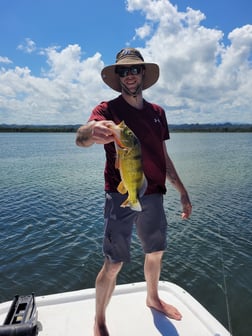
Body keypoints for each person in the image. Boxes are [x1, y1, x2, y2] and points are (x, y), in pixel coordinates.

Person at [76, 48, 192, 336]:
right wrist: (93, 133)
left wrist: (183, 191)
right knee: (114, 262)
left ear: (143, 74)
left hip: (153, 193)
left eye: (134, 70)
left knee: (156, 251)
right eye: (123, 71)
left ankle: (152, 297)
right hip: (121, 194)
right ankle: (99, 320)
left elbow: (163, 156)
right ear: (118, 77)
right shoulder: (108, 110)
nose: (129, 75)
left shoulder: (157, 113)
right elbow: (82, 136)